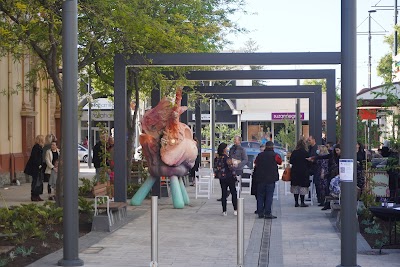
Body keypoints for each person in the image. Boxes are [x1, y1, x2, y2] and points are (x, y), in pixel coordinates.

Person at [252, 141, 281, 219]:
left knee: (260, 196)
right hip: (271, 179)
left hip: (260, 178)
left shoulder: (260, 155)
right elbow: (280, 162)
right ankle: (267, 213)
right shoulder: (275, 155)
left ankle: (260, 212)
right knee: (269, 196)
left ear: (265, 147)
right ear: (273, 147)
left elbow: (255, 163)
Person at [214, 143, 238, 216]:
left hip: (222, 178)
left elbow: (215, 168)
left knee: (224, 194)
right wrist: (235, 175)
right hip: (229, 177)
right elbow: (231, 168)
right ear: (224, 149)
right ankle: (235, 209)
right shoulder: (227, 158)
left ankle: (224, 211)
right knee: (233, 193)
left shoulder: (217, 158)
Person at [290, 139, 310, 207]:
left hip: (295, 171)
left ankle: (296, 202)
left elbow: (291, 161)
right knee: (302, 187)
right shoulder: (306, 153)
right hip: (304, 171)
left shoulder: (294, 152)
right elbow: (309, 162)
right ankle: (302, 202)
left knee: (295, 186)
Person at [24, 135, 45, 201]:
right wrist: (39, 165)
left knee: (39, 181)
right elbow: (35, 158)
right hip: (35, 167)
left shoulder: (40, 147)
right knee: (35, 181)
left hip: (39, 167)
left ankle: (37, 195)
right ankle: (34, 196)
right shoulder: (36, 147)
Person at [307, 135, 320, 203]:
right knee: (310, 182)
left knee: (316, 182)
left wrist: (313, 160)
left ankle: (319, 197)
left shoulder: (316, 148)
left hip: (315, 167)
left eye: (309, 140)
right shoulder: (309, 148)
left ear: (313, 140)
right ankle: (310, 195)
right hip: (310, 167)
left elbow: (318, 157)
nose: (308, 141)